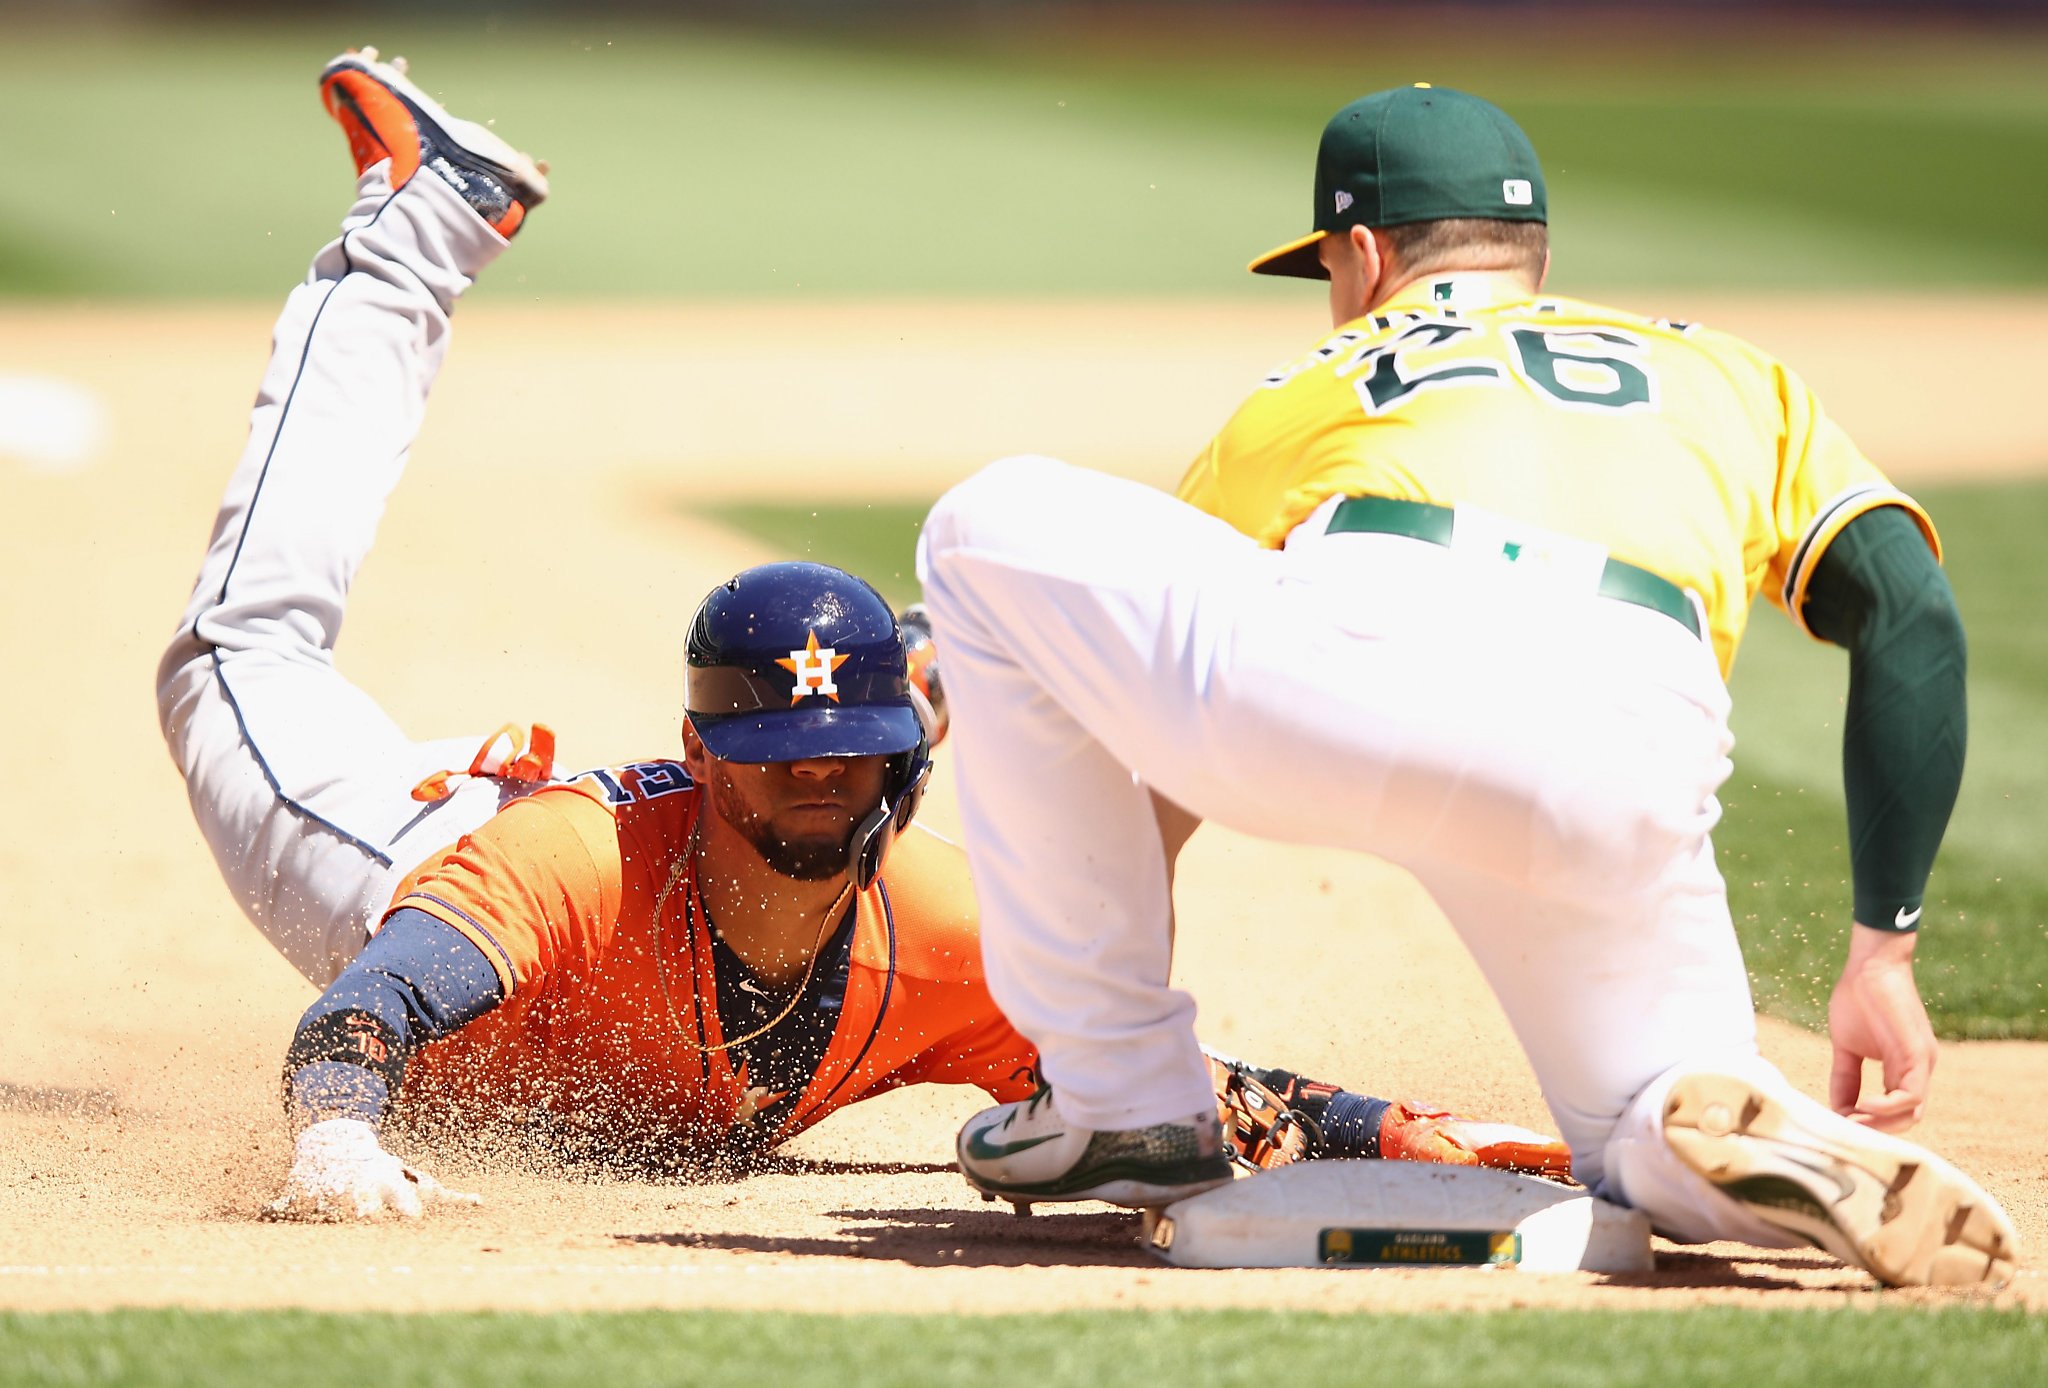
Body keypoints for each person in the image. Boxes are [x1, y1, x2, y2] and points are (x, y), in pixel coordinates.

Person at [155, 54, 1570, 1219]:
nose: (821, 778)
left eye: (850, 751)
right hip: (409, 858)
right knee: (233, 660)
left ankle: (893, 679)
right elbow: (367, 1014)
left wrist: (1419, 1132)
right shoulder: (562, 871)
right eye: (782, 756)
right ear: (707, 753)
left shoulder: (939, 932)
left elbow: (1184, 1083)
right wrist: (335, 1135)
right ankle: (419, 228)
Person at [918, 84, 2020, 1287]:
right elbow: (1907, 611)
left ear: (1365, 253)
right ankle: (1718, 1130)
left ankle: (1117, 1102)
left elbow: (1136, 754)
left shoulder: (1320, 377)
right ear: (1530, 252)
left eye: (1329, 269)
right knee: (1641, 1117)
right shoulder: (1727, 374)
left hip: (1372, 643)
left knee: (979, 531)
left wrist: (1107, 1024)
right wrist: (1881, 952)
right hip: (1634, 731)